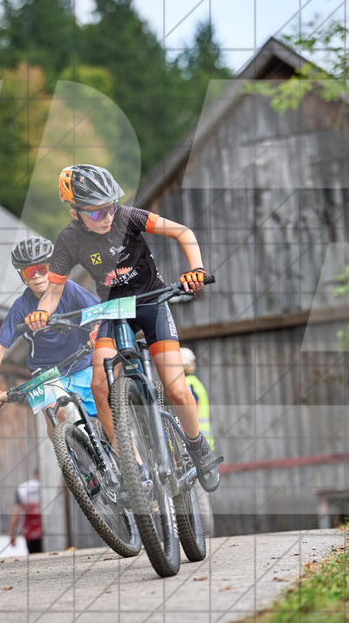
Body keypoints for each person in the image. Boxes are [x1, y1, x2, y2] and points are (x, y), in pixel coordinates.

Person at [25, 164, 223, 492]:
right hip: (114, 312)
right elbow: (54, 291)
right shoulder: (70, 239)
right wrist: (41, 314)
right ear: (75, 212)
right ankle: (136, 470)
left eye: (110, 206)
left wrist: (196, 270)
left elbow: (183, 233)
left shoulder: (127, 216)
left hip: (152, 303)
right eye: (96, 212)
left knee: (175, 388)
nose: (105, 216)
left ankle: (197, 446)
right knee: (101, 387)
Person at [0, 236, 100, 433]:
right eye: (29, 271)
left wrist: (98, 328)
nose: (37, 276)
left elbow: (99, 314)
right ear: (23, 277)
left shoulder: (69, 289)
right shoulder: (21, 307)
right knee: (55, 418)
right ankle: (68, 460)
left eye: (42, 268)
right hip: (45, 373)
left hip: (82, 363)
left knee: (103, 417)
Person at [181, 347, 214, 535]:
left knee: (199, 496)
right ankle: (207, 536)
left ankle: (206, 537)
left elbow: (188, 414)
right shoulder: (195, 382)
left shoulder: (187, 386)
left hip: (192, 447)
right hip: (202, 446)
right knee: (201, 495)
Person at [9, 470, 43, 553]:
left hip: (31, 533)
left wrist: (12, 533)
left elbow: (16, 513)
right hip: (48, 532)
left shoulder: (22, 488)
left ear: (33, 476)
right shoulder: (48, 486)